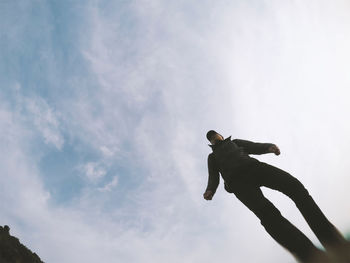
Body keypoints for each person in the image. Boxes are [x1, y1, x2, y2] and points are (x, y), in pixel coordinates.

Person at [203, 130, 349, 263]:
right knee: (268, 215)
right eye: (211, 138)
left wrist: (269, 147)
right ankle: (310, 255)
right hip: (239, 184)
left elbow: (253, 146)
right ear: (211, 142)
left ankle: (332, 239)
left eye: (215, 135)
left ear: (221, 136)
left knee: (295, 187)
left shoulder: (234, 143)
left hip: (255, 168)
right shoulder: (212, 157)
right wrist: (210, 189)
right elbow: (213, 176)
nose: (214, 138)